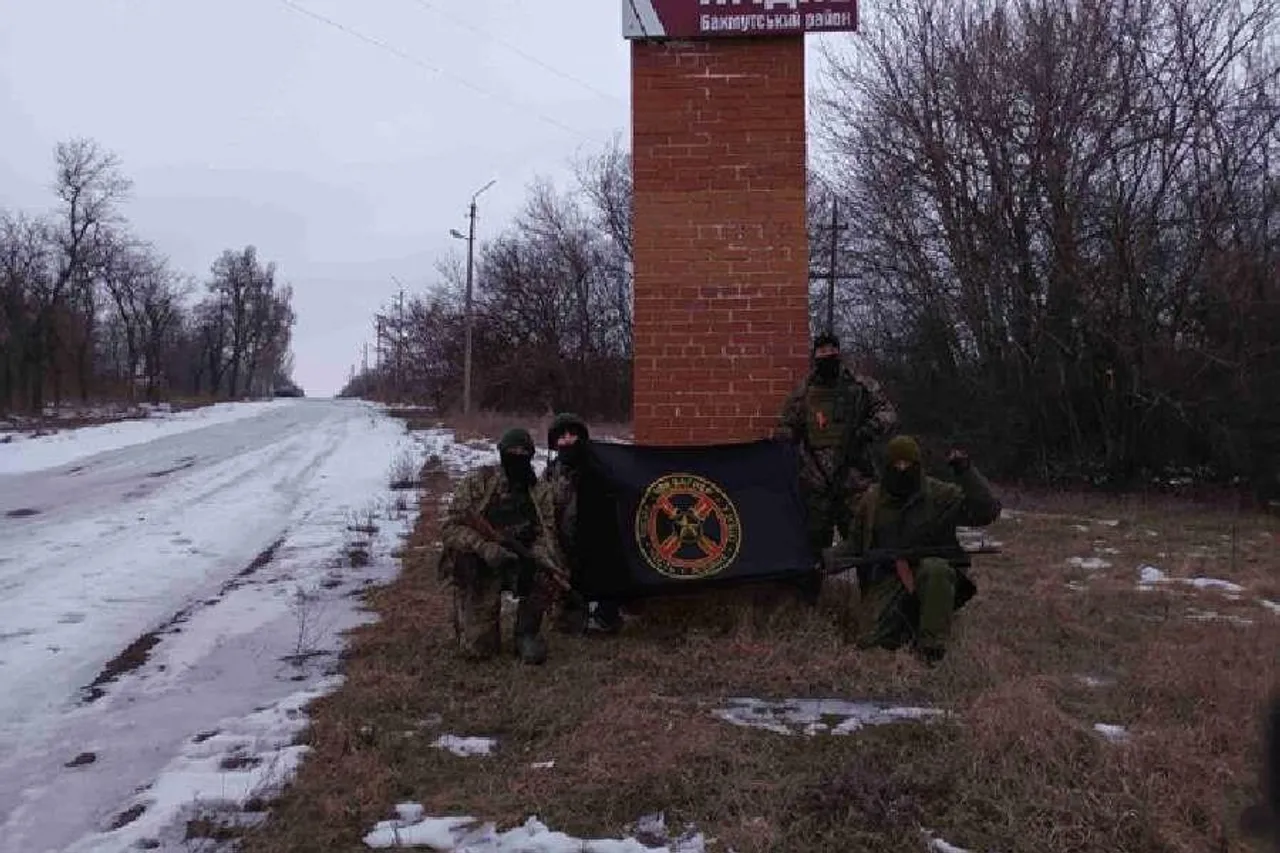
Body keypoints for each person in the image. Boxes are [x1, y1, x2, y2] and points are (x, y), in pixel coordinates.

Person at [825, 435, 1001, 664]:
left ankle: (931, 648)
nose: (902, 470)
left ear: (918, 466)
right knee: (870, 641)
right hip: (887, 579)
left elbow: (986, 511)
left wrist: (965, 471)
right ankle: (905, 627)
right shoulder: (872, 501)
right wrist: (826, 559)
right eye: (896, 465)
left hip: (928, 577)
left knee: (936, 569)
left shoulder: (939, 495)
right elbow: (855, 544)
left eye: (908, 464)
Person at [776, 332, 898, 594]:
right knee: (812, 548)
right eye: (822, 352)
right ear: (815, 356)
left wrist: (869, 429)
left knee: (864, 543)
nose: (827, 356)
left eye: (832, 351)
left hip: (855, 482)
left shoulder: (860, 385)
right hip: (816, 484)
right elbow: (785, 426)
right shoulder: (804, 391)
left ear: (838, 353)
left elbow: (888, 413)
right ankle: (809, 603)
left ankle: (873, 600)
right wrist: (790, 443)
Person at [438, 427, 570, 665]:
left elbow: (546, 533)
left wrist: (535, 558)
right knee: (479, 650)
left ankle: (526, 633)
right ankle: (471, 622)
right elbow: (450, 528)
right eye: (512, 452)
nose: (517, 457)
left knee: (545, 572)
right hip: (480, 564)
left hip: (517, 561)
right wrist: (484, 547)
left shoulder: (538, 490)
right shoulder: (479, 481)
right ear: (501, 453)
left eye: (523, 453)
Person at [543, 412, 624, 635]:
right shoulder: (551, 473)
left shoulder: (597, 468)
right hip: (563, 543)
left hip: (596, 545)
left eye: (572, 434)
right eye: (562, 436)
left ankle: (605, 613)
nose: (567, 439)